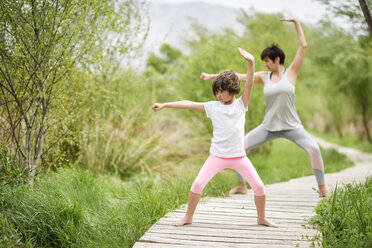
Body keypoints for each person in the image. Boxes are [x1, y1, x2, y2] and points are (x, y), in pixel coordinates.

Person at [200, 18, 329, 197]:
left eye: (267, 61)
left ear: (277, 59)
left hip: (292, 126)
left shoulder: (291, 73)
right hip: (269, 126)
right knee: (241, 144)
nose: (265, 64)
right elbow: (238, 77)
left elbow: (303, 47)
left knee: (314, 149)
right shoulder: (263, 76)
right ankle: (241, 185)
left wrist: (296, 23)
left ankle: (322, 189)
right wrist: (212, 76)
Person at [152, 48, 279, 228]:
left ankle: (261, 218)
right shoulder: (212, 107)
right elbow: (188, 104)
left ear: (232, 90)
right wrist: (165, 104)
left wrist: (251, 63)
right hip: (217, 156)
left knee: (259, 187)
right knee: (197, 184)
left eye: (222, 91)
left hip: (238, 157)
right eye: (217, 91)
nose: (219, 95)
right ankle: (188, 217)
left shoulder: (241, 105)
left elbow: (250, 84)